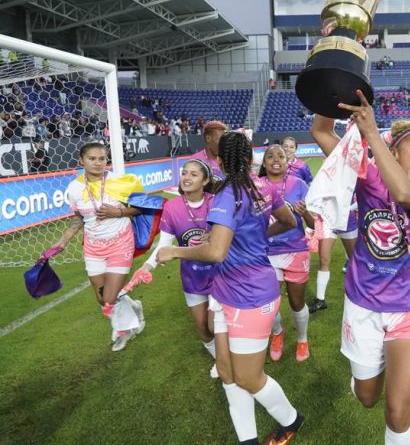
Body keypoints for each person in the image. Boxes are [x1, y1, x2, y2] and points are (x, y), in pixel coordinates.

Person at [312, 90, 410, 445]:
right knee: (367, 398)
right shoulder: (369, 177)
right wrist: (334, 78)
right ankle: (366, 373)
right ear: (394, 153)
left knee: (397, 411)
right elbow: (321, 133)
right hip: (363, 305)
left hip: (409, 309)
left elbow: (405, 195)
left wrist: (372, 134)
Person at [156, 131, 304, 445]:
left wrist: (175, 251)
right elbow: (289, 222)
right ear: (251, 158)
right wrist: (260, 236)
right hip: (223, 291)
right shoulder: (262, 186)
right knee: (226, 371)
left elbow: (215, 252)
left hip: (250, 297)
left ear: (220, 162)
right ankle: (247, 440)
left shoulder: (226, 196)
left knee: (249, 377)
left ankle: (292, 421)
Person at [47, 142, 144, 352]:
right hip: (93, 247)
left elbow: (142, 208)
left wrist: (118, 213)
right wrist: (63, 241)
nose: (98, 163)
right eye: (92, 159)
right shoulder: (74, 189)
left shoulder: (120, 182)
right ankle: (133, 307)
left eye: (102, 158)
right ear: (81, 161)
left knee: (110, 297)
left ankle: (123, 331)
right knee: (102, 299)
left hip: (120, 241)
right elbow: (79, 219)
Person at [140, 159, 218, 375]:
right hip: (192, 278)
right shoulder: (172, 207)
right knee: (202, 328)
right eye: (184, 173)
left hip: (219, 275)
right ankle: (221, 361)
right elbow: (164, 244)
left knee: (215, 326)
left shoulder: (216, 202)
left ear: (205, 181)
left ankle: (227, 363)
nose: (187, 177)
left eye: (194, 174)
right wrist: (148, 266)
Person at [259, 144, 315, 363]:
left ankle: (302, 339)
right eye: (270, 156)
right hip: (266, 253)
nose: (275, 159)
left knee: (296, 302)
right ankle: (277, 333)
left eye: (280, 155)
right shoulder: (256, 186)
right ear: (264, 163)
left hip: (296, 251)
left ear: (287, 161)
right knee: (269, 302)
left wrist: (306, 213)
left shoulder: (299, 185)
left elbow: (313, 224)